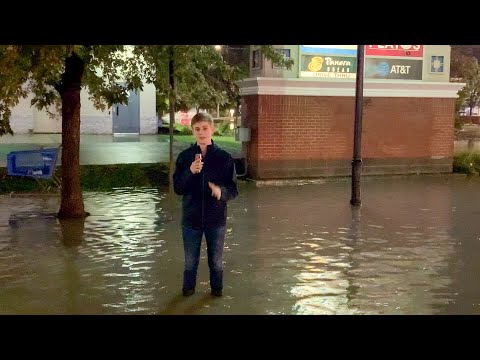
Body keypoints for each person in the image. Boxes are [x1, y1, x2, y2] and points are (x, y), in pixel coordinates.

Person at [173, 112, 238, 297]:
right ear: (192, 131)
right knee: (190, 262)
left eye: (205, 128)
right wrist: (190, 171)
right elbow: (178, 188)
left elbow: (233, 189)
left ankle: (216, 292)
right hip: (190, 219)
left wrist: (220, 193)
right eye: (197, 129)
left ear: (212, 129)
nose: (201, 133)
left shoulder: (224, 157)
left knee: (216, 261)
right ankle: (187, 292)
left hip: (216, 220)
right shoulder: (185, 157)